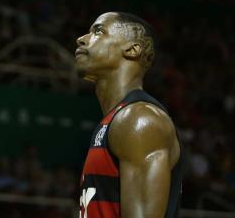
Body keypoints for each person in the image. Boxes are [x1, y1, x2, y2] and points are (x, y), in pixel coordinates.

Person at [74, 12, 183, 218]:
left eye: (98, 31)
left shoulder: (139, 120)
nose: (81, 39)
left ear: (132, 50)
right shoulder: (115, 121)